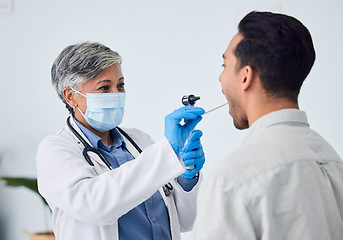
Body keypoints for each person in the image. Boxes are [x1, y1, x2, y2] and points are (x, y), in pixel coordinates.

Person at [193, 11, 343, 239]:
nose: (221, 79)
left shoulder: (230, 180)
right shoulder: (334, 163)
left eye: (224, 65)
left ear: (245, 76)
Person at [36, 42, 206, 240]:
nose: (116, 95)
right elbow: (96, 206)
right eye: (104, 88)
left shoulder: (140, 141)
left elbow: (186, 221)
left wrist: (187, 178)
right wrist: (166, 151)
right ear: (71, 96)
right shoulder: (55, 150)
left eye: (120, 85)